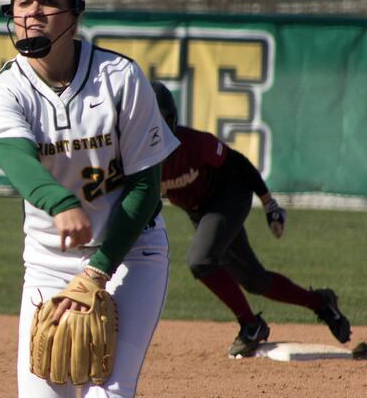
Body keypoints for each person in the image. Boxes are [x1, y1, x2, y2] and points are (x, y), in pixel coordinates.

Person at [0, 0, 179, 397]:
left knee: (108, 392)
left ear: (75, 14)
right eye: (22, 2)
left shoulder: (119, 78)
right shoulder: (3, 91)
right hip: (50, 261)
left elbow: (145, 189)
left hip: (129, 255)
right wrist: (59, 201)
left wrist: (99, 270)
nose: (32, 12)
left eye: (48, 1)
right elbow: (15, 157)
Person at [151, 80, 352, 358]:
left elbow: (238, 163)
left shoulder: (194, 144)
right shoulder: (135, 157)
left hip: (230, 195)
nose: (155, 131)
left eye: (160, 122)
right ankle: (321, 302)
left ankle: (251, 325)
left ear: (172, 120)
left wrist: (269, 204)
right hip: (202, 211)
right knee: (255, 280)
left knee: (200, 260)